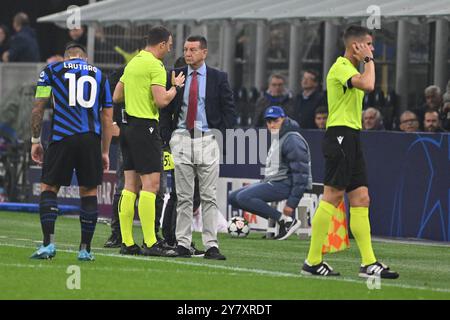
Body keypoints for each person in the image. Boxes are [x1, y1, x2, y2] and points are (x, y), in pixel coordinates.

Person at [302, 26, 399, 279]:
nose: (372, 49)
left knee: (361, 198)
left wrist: (366, 60)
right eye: (368, 44)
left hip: (352, 136)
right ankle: (312, 260)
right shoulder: (341, 67)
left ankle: (368, 263)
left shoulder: (351, 68)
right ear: (355, 46)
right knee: (332, 197)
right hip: (340, 136)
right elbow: (369, 84)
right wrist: (369, 61)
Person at [29, 42, 113, 261]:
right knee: (88, 192)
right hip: (90, 139)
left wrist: (35, 140)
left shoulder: (51, 70)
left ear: (67, 58)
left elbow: (39, 105)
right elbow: (107, 116)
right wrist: (104, 151)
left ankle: (48, 245)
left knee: (49, 187)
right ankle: (85, 249)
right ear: (84, 58)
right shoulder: (100, 76)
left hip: (61, 137)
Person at [160, 35, 236, 260]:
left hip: (207, 139)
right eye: (185, 49)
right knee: (183, 196)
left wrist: (219, 136)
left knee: (208, 196)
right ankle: (183, 243)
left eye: (193, 49)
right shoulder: (175, 75)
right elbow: (165, 109)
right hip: (181, 138)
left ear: (204, 52)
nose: (188, 53)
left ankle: (211, 245)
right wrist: (168, 136)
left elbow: (229, 110)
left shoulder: (218, 77)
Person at [112, 26, 185, 257]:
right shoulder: (155, 65)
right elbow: (162, 100)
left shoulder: (133, 63)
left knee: (129, 185)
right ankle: (151, 243)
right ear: (161, 44)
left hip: (127, 127)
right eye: (170, 45)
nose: (170, 49)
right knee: (151, 185)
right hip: (146, 127)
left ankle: (126, 242)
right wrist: (175, 87)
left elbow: (116, 96)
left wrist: (137, 94)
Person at [229, 106, 311, 240]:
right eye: (268, 121)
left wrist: (291, 203)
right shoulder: (280, 136)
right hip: (274, 181)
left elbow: (301, 173)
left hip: (286, 183)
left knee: (244, 197)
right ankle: (280, 220)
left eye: (275, 120)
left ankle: (286, 221)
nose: (271, 124)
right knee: (233, 197)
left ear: (284, 119)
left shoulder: (292, 139)